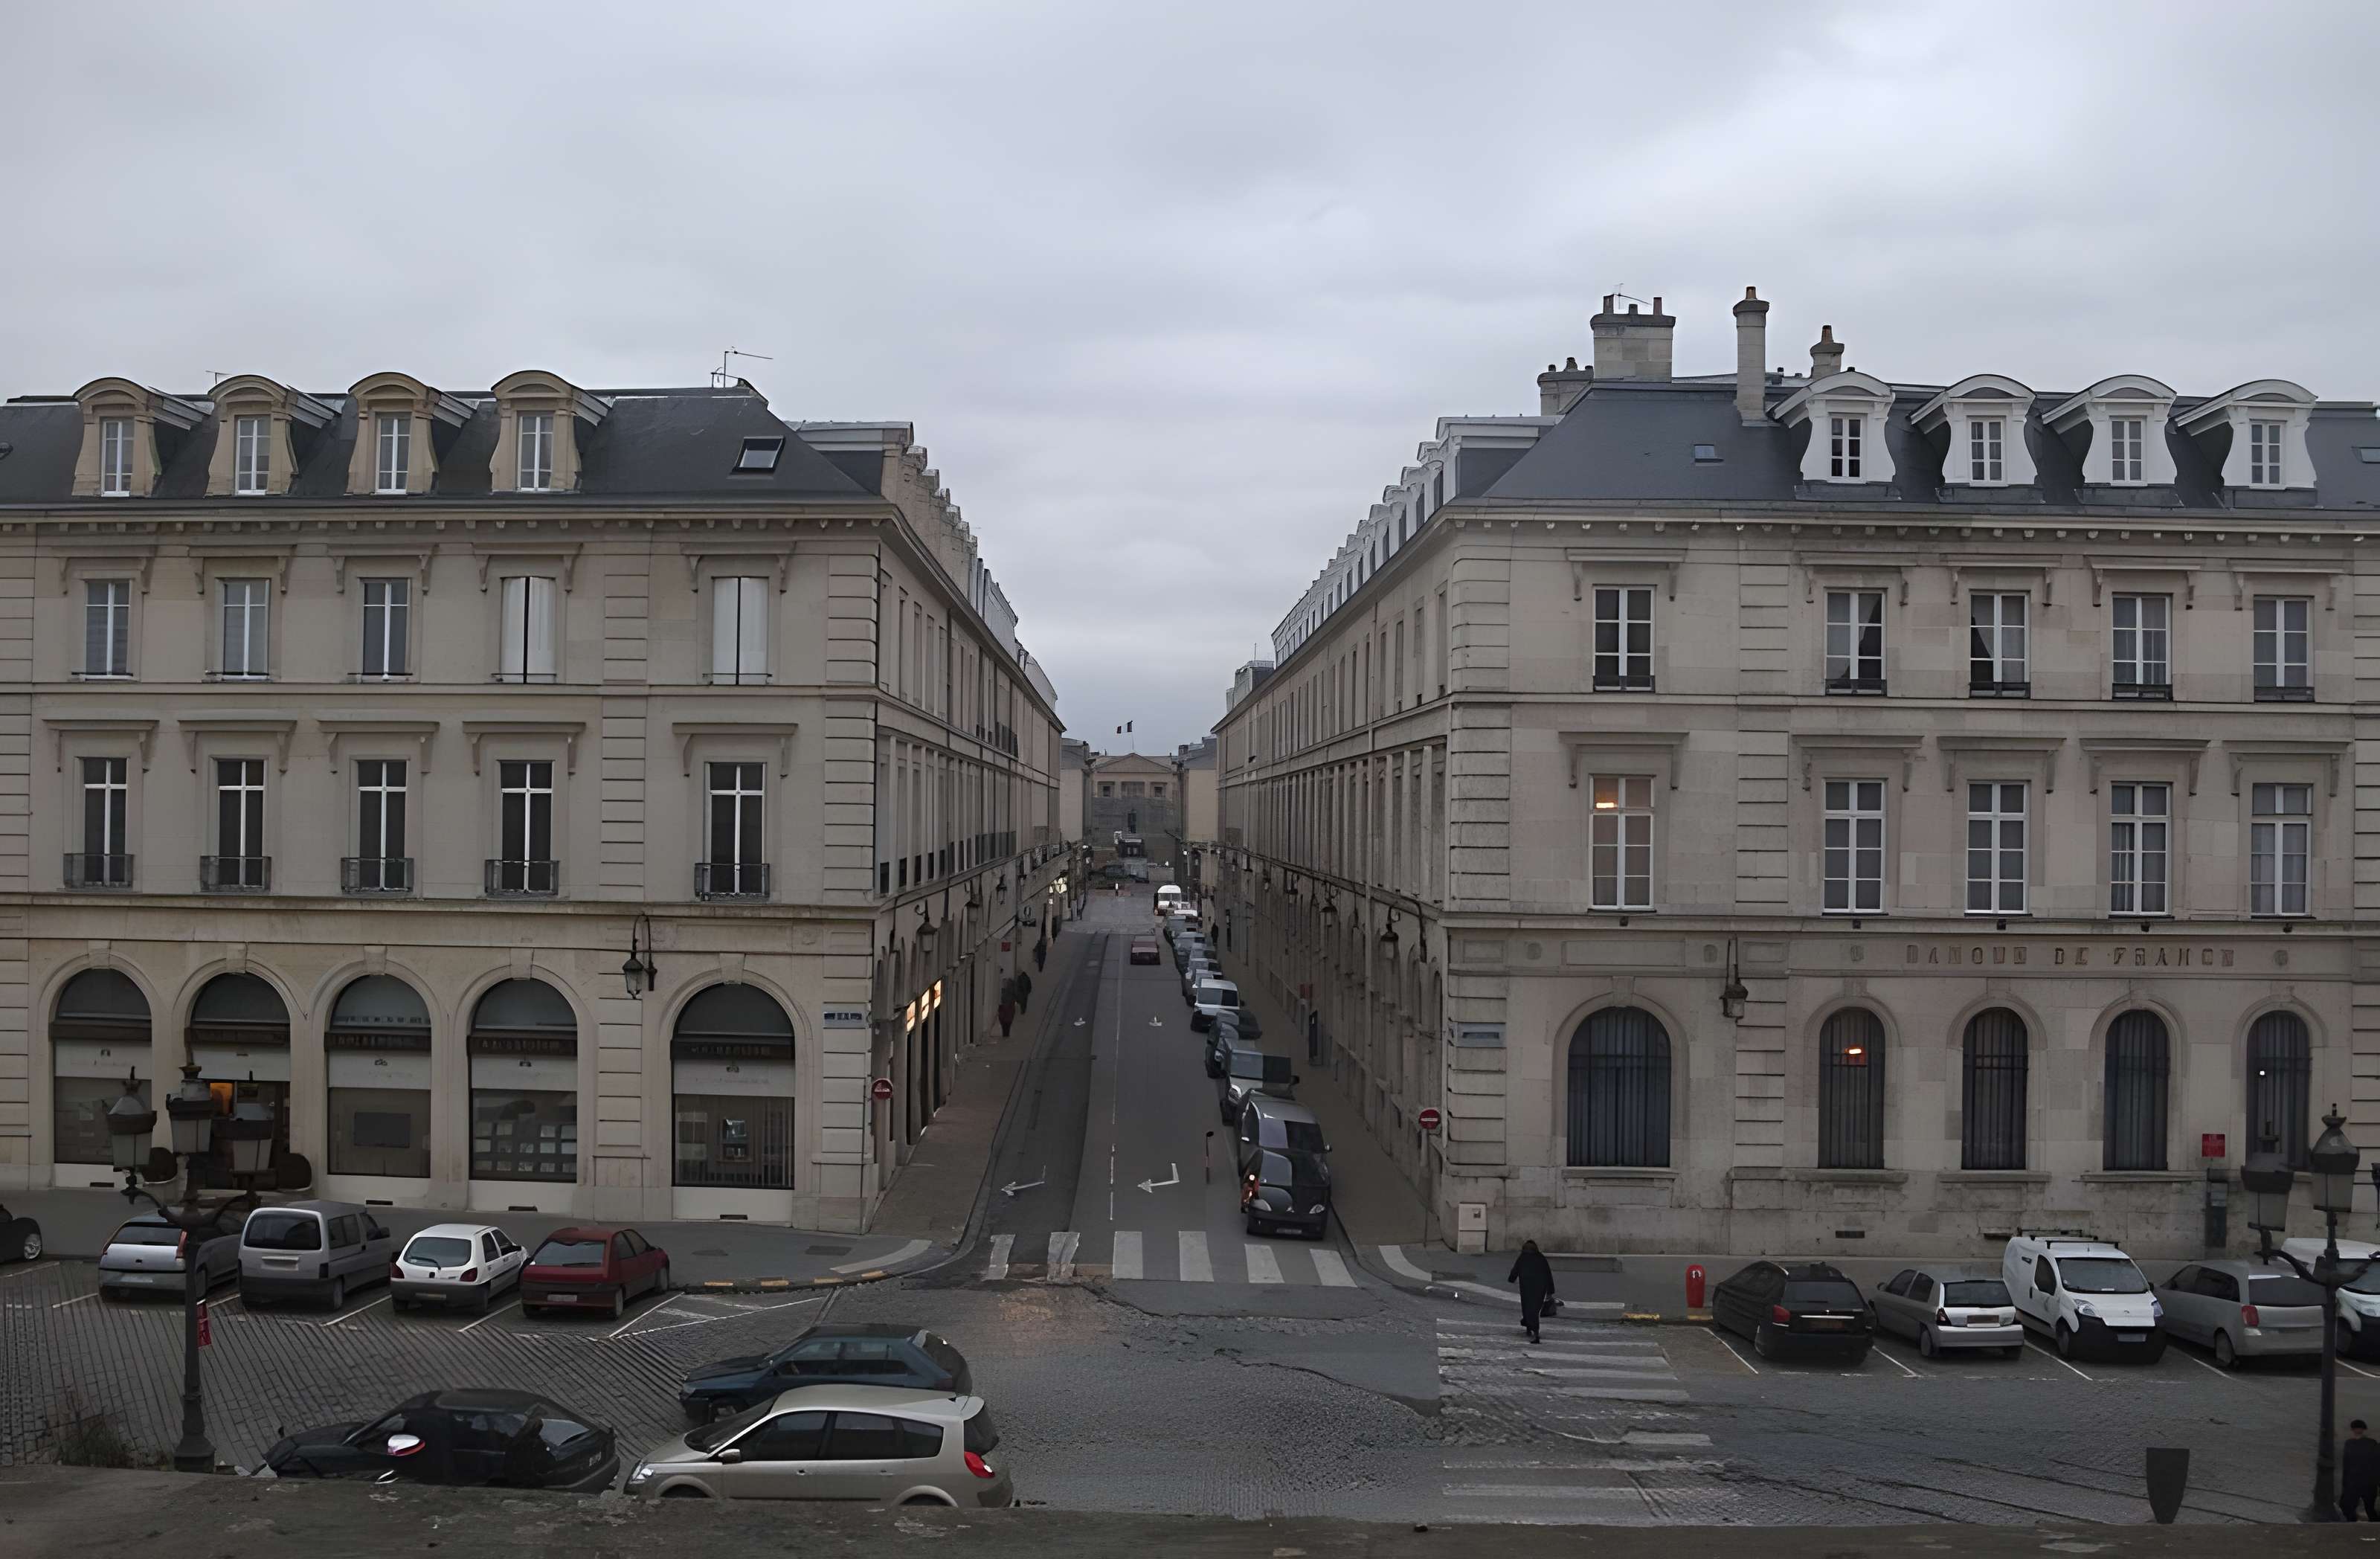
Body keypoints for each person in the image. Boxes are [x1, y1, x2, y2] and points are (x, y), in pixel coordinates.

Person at [1508, 1239, 1554, 1345]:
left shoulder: (1522, 1258)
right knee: (1535, 1309)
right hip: (1540, 1287)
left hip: (1526, 1287)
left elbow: (1515, 1270)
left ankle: (1532, 1328)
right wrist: (1550, 1291)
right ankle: (1532, 1328)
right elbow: (1548, 1274)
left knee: (1527, 1306)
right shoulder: (1541, 1258)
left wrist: (1511, 1279)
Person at [2344, 1419, 2380, 1520]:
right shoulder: (2371, 1443)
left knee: (2365, 1508)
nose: (2358, 1430)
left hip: (2359, 1481)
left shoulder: (2350, 1444)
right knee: (2369, 1508)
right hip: (2364, 1481)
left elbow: (2347, 1463)